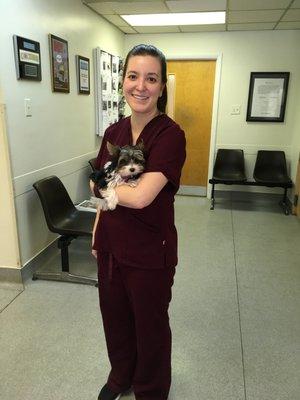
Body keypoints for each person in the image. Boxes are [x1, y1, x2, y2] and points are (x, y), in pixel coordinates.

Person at [90, 44, 186, 400]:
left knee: (150, 326)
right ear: (122, 81)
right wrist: (96, 233)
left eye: (151, 78)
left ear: (161, 87)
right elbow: (96, 183)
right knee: (114, 319)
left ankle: (150, 389)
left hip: (150, 252)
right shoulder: (113, 133)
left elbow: (143, 196)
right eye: (133, 76)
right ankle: (121, 377)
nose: (140, 86)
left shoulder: (170, 135)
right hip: (111, 247)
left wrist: (104, 189)